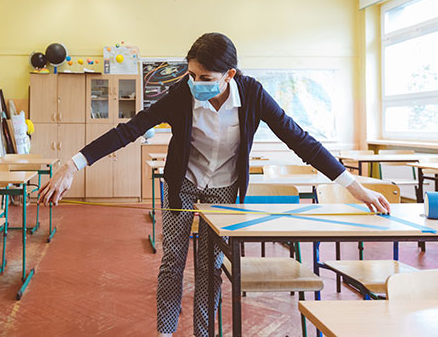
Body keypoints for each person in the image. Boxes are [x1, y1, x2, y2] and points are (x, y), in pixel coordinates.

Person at [39, 32, 390, 337]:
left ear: (229, 75)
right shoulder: (182, 94)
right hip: (182, 184)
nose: (195, 82)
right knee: (172, 259)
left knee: (210, 267)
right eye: (191, 74)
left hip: (224, 188)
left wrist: (354, 187)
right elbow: (130, 129)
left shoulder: (252, 94)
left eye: (204, 76)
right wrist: (73, 164)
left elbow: (300, 140)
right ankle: (165, 331)